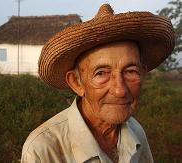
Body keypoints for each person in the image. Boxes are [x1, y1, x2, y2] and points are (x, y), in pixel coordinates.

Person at [21, 3, 174, 163]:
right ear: (76, 83)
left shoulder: (136, 132)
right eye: (101, 73)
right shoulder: (43, 150)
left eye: (130, 71)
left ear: (143, 73)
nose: (120, 90)